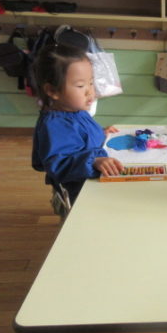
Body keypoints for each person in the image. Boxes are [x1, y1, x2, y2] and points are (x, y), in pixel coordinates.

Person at [32, 44, 123, 216]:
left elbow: (81, 140)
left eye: (91, 82)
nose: (90, 91)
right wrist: (93, 161)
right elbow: (59, 164)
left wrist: (102, 134)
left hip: (94, 186)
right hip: (78, 195)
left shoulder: (76, 111)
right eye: (81, 86)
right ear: (52, 90)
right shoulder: (54, 125)